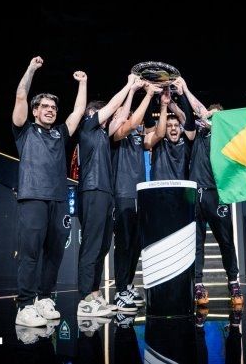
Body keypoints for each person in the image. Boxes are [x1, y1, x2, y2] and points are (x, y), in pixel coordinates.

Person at [12, 56, 87, 327]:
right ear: (35, 111)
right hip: (33, 197)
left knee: (55, 253)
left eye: (53, 107)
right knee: (31, 253)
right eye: (44, 106)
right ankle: (24, 306)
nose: (50, 110)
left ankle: (44, 298)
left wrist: (83, 83)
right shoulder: (24, 130)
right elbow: (21, 95)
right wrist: (31, 69)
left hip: (59, 199)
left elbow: (78, 111)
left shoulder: (59, 133)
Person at [76, 74, 141, 317]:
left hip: (106, 193)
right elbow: (114, 107)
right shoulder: (87, 127)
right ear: (92, 114)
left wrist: (133, 92)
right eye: (101, 113)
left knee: (103, 246)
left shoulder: (103, 134)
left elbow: (121, 117)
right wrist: (128, 84)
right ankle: (85, 299)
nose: (108, 116)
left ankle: (94, 294)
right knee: (92, 246)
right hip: (92, 190)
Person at [111, 82, 161, 309]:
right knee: (124, 244)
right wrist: (147, 95)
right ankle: (120, 291)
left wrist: (164, 105)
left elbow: (158, 134)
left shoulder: (139, 137)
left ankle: (128, 284)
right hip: (123, 193)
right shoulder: (116, 135)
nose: (129, 117)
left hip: (140, 194)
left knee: (135, 244)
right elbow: (130, 123)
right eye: (123, 114)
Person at [189, 101, 244, 307]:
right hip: (195, 193)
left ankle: (233, 282)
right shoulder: (197, 133)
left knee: (226, 241)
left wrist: (214, 122)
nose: (210, 119)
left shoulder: (226, 137)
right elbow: (196, 112)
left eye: (216, 117)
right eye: (210, 116)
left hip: (217, 194)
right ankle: (198, 285)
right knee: (196, 243)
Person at [146, 78, 197, 180]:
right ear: (164, 129)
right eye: (169, 126)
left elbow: (189, 120)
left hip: (183, 187)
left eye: (176, 125)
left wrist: (181, 94)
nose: (173, 128)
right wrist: (150, 94)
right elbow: (148, 121)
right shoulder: (158, 141)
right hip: (160, 188)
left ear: (181, 128)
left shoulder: (187, 139)